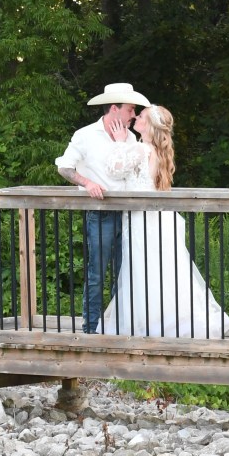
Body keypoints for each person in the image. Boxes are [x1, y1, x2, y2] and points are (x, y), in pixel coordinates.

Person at [99, 104, 229, 338]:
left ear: (148, 125)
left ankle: (148, 328)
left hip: (142, 220)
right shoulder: (157, 152)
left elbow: (114, 169)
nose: (137, 117)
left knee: (145, 270)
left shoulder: (141, 150)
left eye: (141, 116)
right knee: (161, 270)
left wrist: (120, 141)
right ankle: (160, 324)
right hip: (157, 218)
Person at [55, 82, 151, 333]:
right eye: (130, 109)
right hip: (100, 214)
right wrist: (87, 183)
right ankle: (90, 330)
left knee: (126, 275)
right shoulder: (85, 135)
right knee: (97, 274)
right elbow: (64, 167)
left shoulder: (130, 137)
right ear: (114, 109)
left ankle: (120, 329)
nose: (133, 115)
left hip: (130, 216)